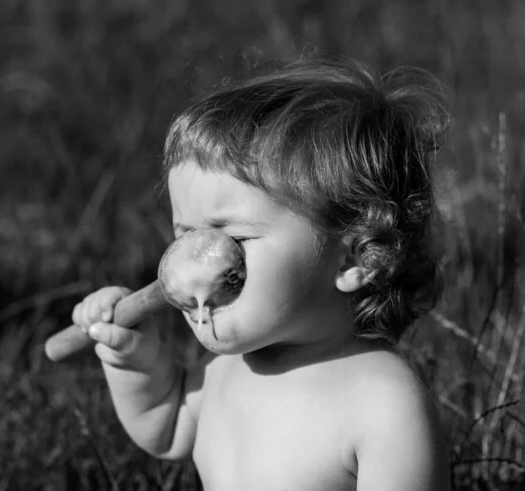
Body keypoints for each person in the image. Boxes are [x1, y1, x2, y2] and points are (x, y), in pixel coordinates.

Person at [72, 55, 452, 491]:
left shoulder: (383, 403)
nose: (189, 265)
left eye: (227, 240)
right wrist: (131, 358)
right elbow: (167, 426)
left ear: (354, 258)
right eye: (184, 237)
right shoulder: (225, 370)